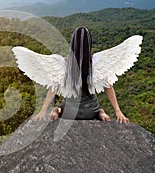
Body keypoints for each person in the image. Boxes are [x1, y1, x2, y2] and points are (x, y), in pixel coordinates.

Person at [13, 27, 142, 124]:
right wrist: (118, 111)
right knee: (95, 105)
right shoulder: (95, 64)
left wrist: (42, 111)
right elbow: (108, 87)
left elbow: (53, 88)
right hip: (90, 111)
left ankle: (57, 110)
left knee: (62, 105)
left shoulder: (64, 64)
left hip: (70, 113)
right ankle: (100, 112)